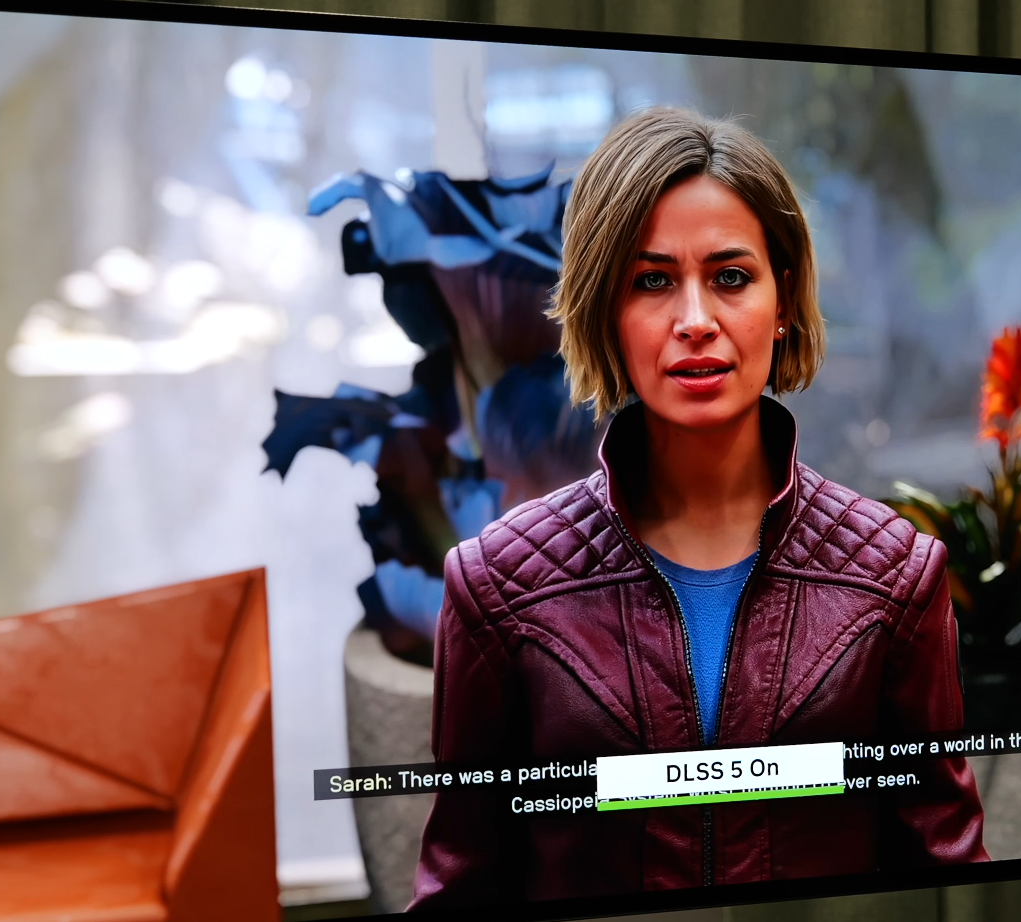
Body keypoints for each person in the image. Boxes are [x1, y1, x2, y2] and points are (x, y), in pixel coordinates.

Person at [410, 107, 987, 910]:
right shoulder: (497, 586)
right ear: (606, 312)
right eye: (652, 281)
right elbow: (461, 890)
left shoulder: (895, 575)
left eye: (730, 277)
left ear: (782, 303)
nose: (694, 321)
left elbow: (949, 883)